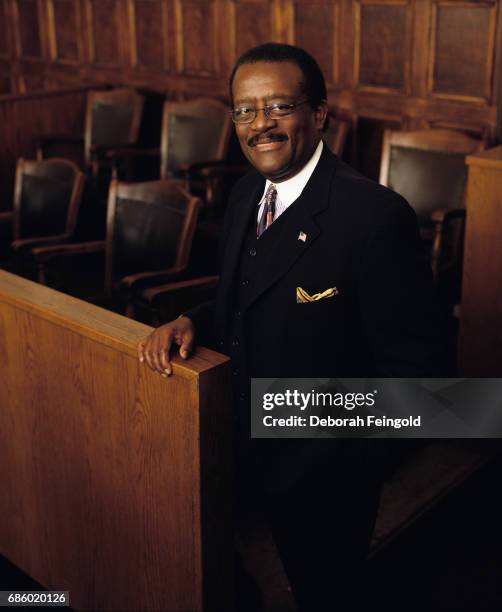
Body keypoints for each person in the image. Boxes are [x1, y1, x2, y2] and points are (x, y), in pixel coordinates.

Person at [138, 43, 444, 611]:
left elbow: (421, 383)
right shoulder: (244, 194)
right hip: (235, 451)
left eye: (278, 106)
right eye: (246, 111)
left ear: (319, 114)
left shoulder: (375, 218)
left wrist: (345, 473)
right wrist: (192, 320)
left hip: (324, 482)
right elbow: (245, 300)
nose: (261, 125)